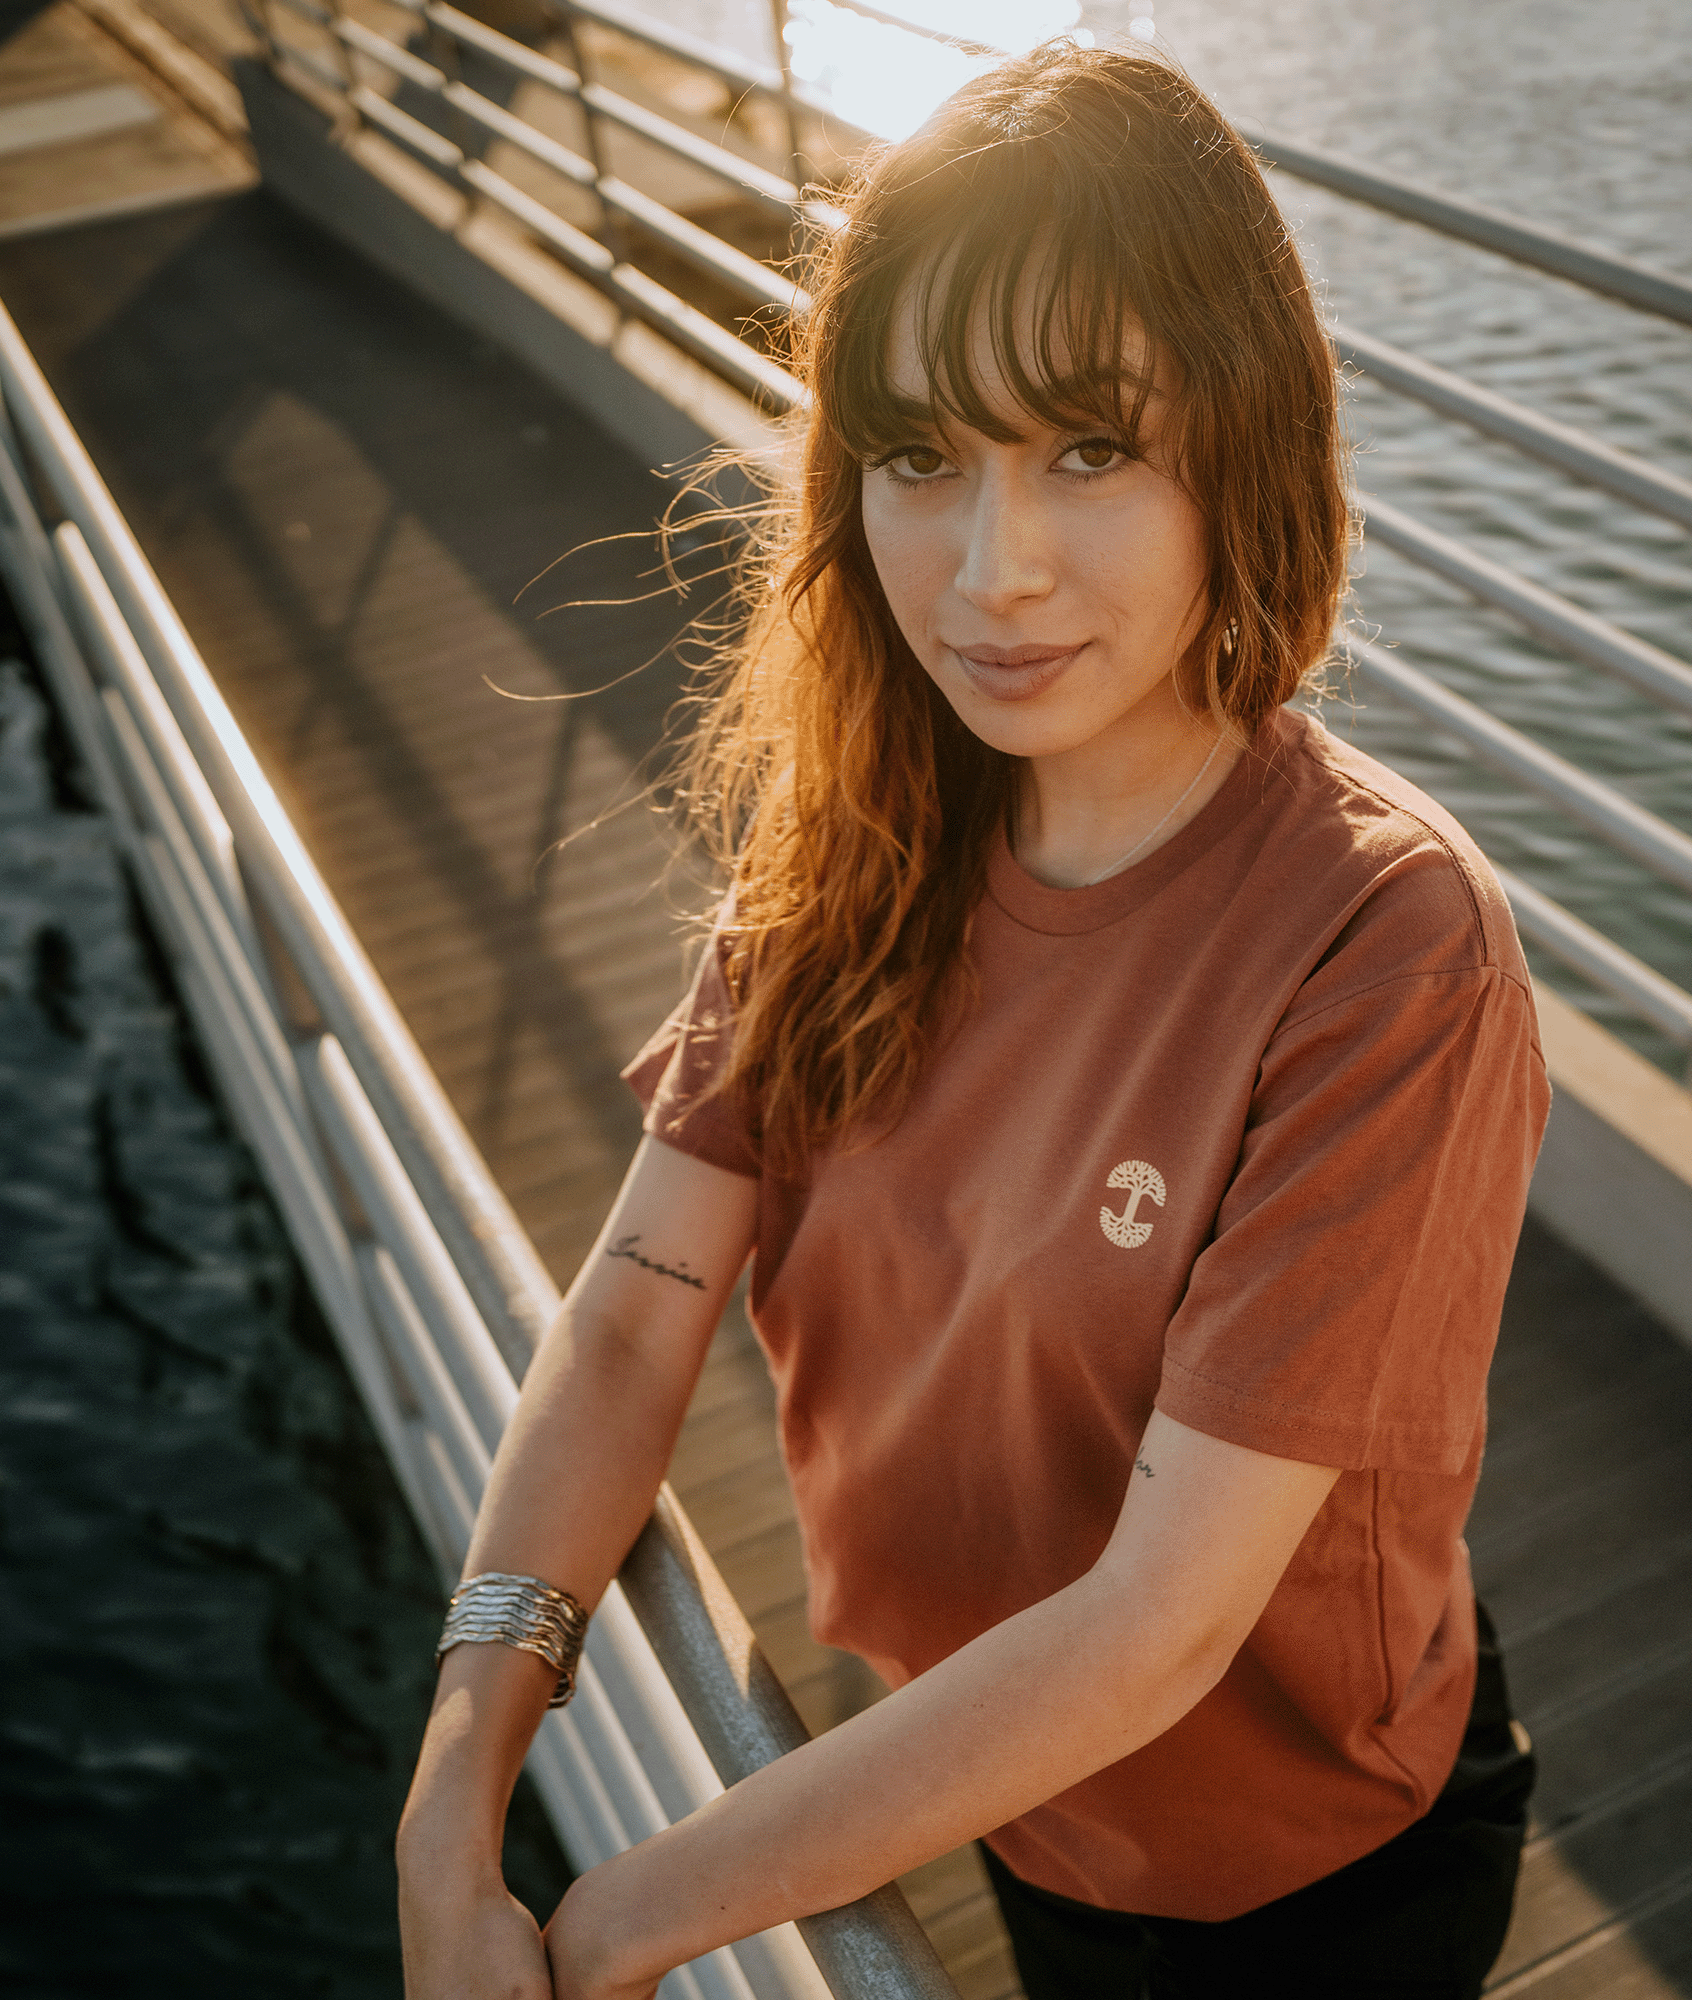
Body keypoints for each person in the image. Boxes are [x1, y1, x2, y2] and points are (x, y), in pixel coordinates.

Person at [396, 39, 1549, 2000]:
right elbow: (635, 1307)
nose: (990, 570)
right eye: (921, 456)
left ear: (1240, 450)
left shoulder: (1385, 944)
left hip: (1285, 1878)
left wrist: (614, 1923)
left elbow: (1154, 1636)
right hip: (991, 1779)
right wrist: (457, 1781)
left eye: (1088, 449)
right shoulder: (862, 832)